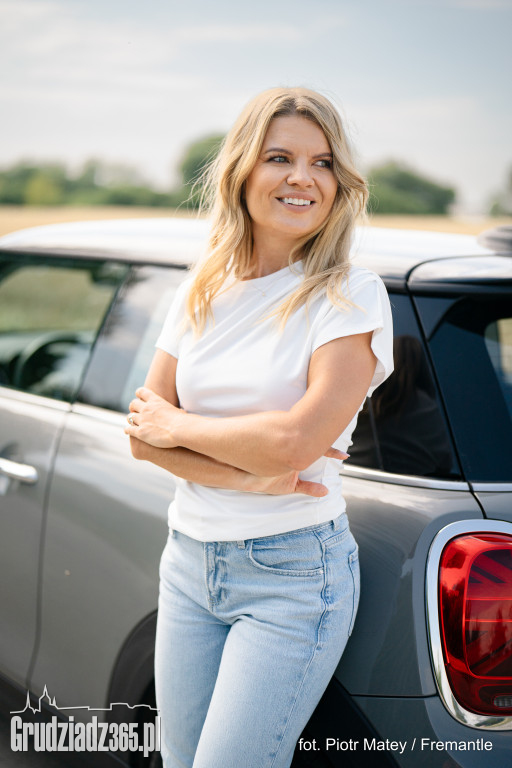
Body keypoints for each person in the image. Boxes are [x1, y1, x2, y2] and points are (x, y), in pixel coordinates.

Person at [125, 86, 394, 768]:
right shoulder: (201, 289)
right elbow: (138, 435)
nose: (304, 177)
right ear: (242, 171)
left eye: (323, 162)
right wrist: (254, 474)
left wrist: (181, 426)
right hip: (188, 561)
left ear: (339, 183)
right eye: (280, 157)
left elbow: (293, 444)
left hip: (294, 575)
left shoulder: (349, 293)